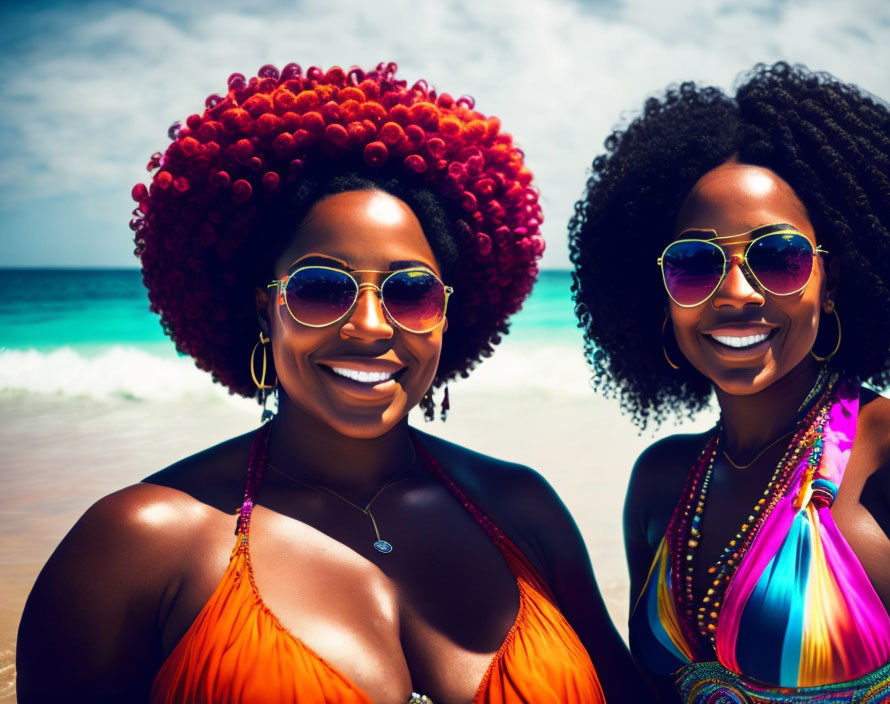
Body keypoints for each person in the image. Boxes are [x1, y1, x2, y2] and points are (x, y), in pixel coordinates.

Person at [17, 62, 636, 704]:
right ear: (266, 310)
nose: (370, 326)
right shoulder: (141, 545)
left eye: (411, 292)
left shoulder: (523, 508)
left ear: (448, 315)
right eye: (320, 288)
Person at [568, 62, 890, 703]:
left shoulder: (885, 453)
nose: (736, 293)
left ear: (833, 285)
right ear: (661, 296)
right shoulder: (660, 482)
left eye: (778, 257)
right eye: (696, 264)